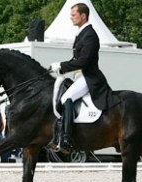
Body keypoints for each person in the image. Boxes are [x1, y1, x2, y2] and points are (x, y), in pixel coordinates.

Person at [49, 3, 119, 152]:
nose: (71, 17)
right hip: (80, 76)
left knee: (66, 98)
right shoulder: (82, 33)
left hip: (89, 77)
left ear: (83, 16)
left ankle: (66, 138)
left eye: (74, 14)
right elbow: (76, 59)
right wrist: (62, 68)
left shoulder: (90, 35)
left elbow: (83, 61)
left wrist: (62, 65)